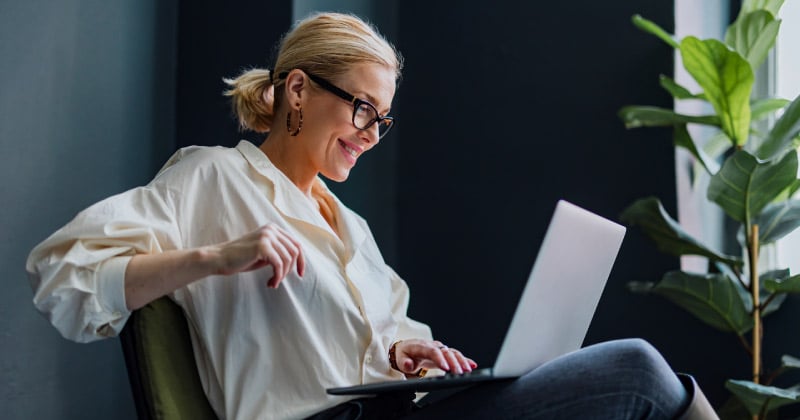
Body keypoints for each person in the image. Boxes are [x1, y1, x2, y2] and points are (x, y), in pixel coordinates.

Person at [26, 12, 715, 420]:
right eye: (361, 109)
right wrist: (216, 257)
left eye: (381, 120)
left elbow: (385, 337)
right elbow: (65, 277)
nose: (369, 133)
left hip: (397, 411)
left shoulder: (349, 226)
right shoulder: (212, 177)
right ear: (297, 88)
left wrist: (404, 353)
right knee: (637, 372)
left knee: (634, 382)